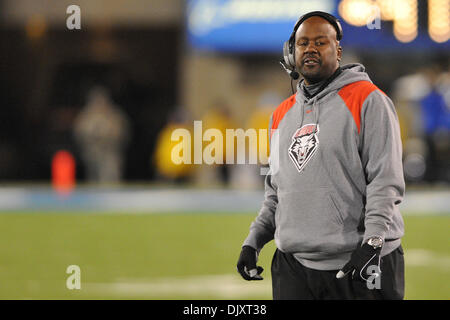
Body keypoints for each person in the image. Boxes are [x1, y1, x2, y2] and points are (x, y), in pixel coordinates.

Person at [236, 11, 405, 300]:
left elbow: (384, 181)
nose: (310, 49)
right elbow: (276, 192)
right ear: (291, 53)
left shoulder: (369, 100)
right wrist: (253, 241)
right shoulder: (280, 114)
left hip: (359, 260)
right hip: (294, 267)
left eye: (320, 42)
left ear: (337, 51)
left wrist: (373, 243)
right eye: (302, 43)